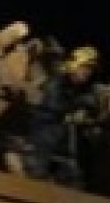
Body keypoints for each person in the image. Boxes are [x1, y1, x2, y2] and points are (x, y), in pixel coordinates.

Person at [25, 44, 101, 188]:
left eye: (90, 69)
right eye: (84, 67)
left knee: (74, 180)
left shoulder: (85, 89)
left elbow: (92, 105)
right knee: (37, 180)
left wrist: (86, 111)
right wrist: (75, 110)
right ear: (74, 65)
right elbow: (55, 107)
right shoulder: (57, 83)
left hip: (66, 146)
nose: (87, 72)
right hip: (44, 141)